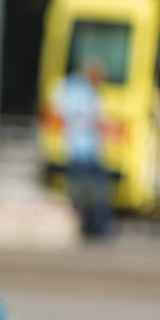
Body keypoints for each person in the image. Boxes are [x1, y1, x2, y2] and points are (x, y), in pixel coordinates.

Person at [56, 55, 112, 239]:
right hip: (79, 149)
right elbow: (75, 117)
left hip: (90, 150)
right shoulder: (74, 89)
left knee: (96, 191)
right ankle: (86, 227)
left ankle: (95, 228)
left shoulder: (87, 90)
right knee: (82, 192)